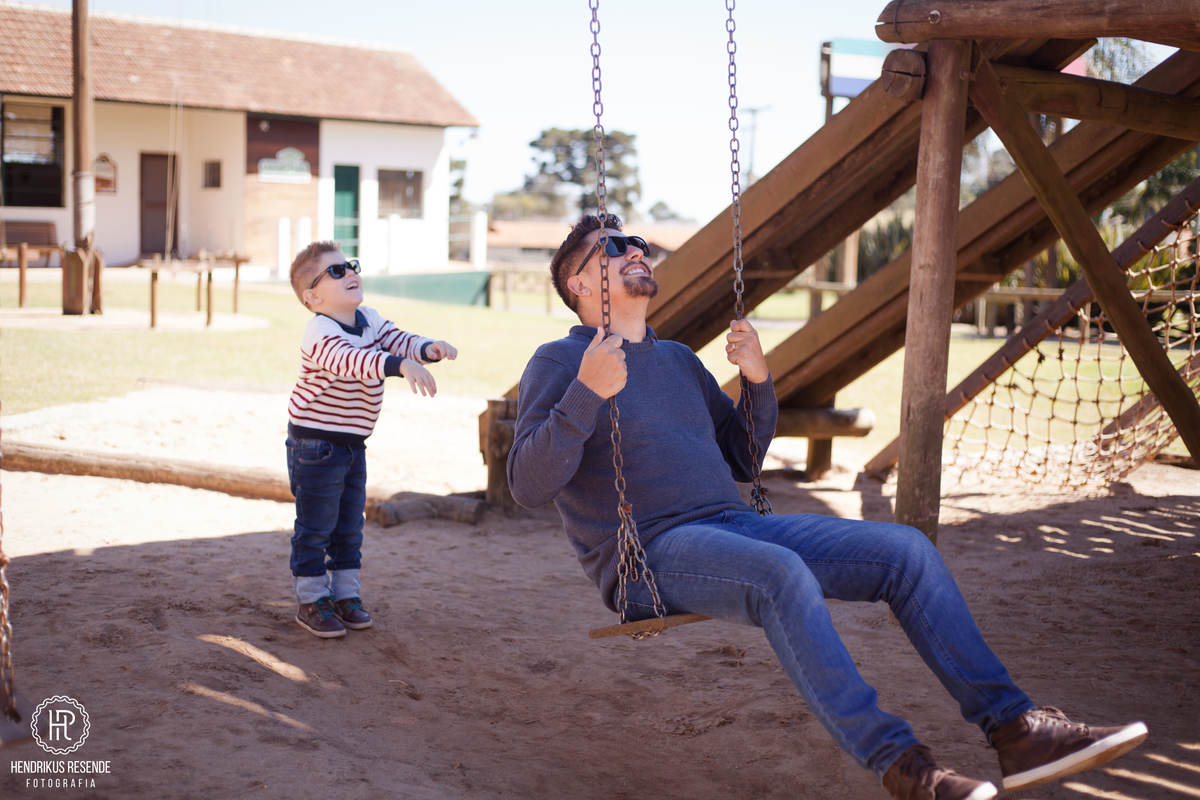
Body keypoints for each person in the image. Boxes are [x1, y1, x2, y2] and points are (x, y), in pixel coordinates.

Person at [506, 214, 1148, 800]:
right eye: (614, 248)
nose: (636, 250)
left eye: (638, 242)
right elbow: (527, 484)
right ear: (581, 282)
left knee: (905, 550)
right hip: (649, 555)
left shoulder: (676, 359)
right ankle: (904, 765)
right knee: (781, 573)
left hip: (731, 526)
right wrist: (586, 395)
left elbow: (743, 457)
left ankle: (1015, 729)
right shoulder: (560, 362)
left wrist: (758, 380)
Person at [286, 241, 457, 639]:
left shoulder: (370, 318)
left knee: (349, 524)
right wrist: (398, 365)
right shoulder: (320, 331)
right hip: (315, 445)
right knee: (315, 525)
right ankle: (312, 598)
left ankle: (346, 595)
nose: (349, 273)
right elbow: (353, 362)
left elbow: (398, 340)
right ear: (312, 297)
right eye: (335, 271)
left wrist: (425, 349)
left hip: (351, 444)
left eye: (350, 266)